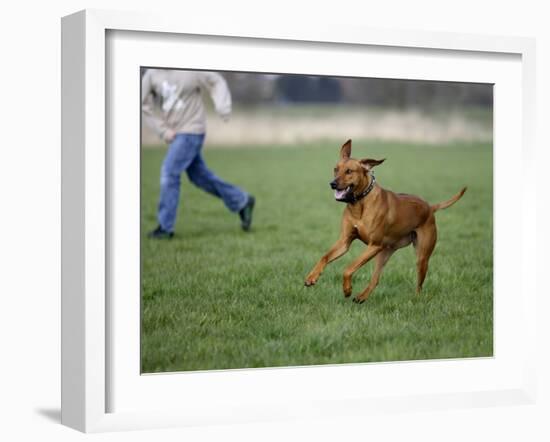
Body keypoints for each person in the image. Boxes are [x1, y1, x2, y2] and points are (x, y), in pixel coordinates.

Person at [142, 69, 255, 239]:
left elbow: (216, 81)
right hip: (174, 132)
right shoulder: (151, 75)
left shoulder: (190, 69)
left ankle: (165, 228)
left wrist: (222, 107)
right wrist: (162, 131)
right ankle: (242, 200)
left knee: (169, 172)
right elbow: (143, 106)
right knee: (199, 177)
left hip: (192, 130)